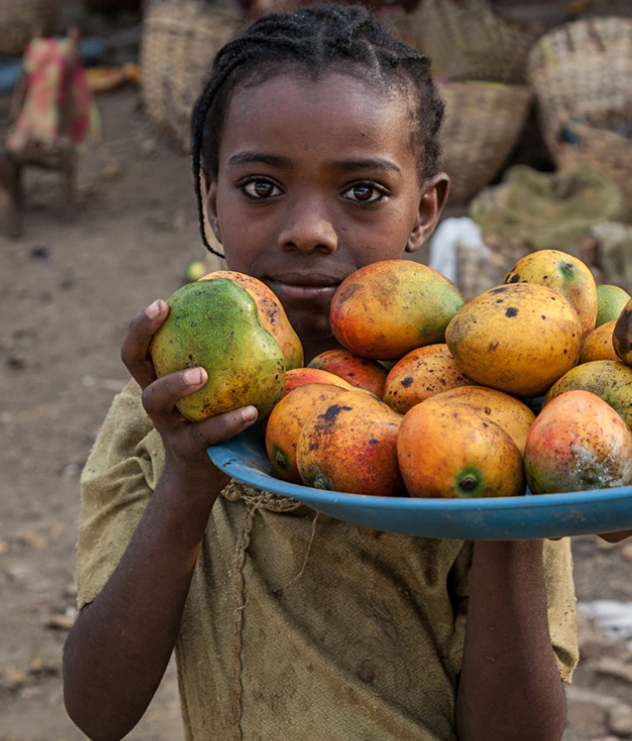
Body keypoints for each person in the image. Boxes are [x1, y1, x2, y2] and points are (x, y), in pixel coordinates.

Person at [61, 7, 578, 740]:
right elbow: (98, 707)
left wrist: (506, 513)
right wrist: (187, 475)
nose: (309, 228)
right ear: (212, 196)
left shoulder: (489, 416)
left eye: (363, 191)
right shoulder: (160, 416)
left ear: (425, 208)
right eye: (262, 187)